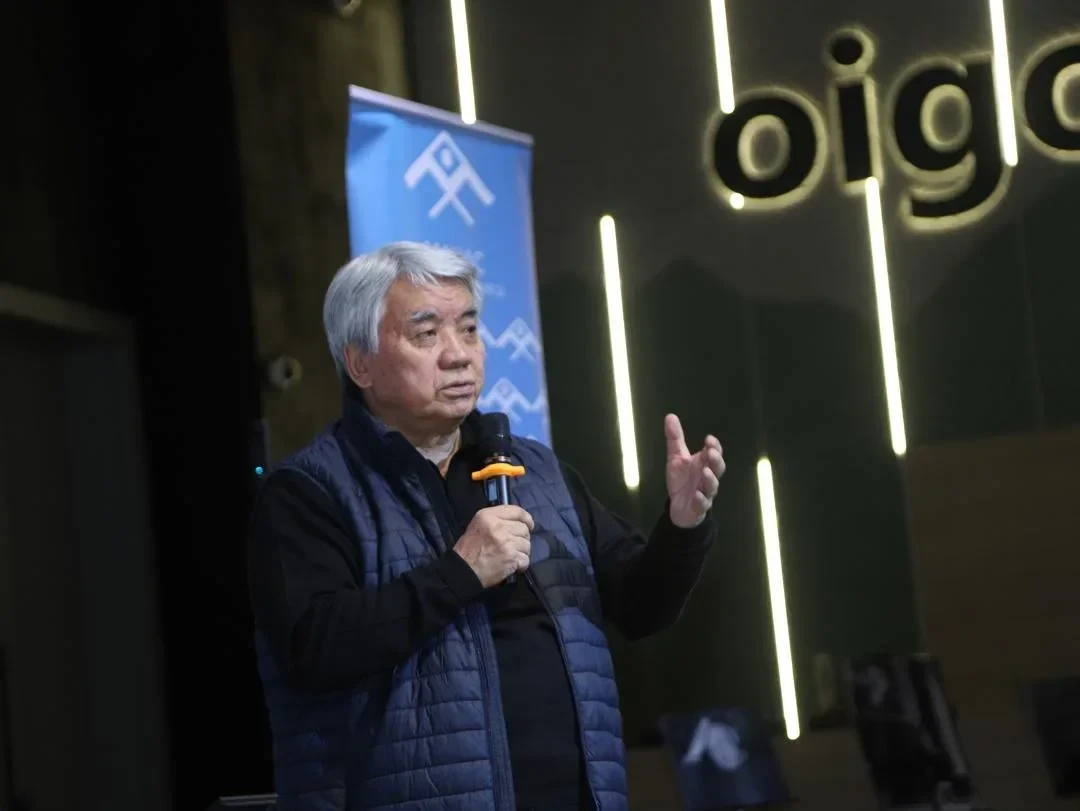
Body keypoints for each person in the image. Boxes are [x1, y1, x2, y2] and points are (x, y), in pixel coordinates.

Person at [248, 242, 726, 811]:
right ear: (360, 364)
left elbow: (641, 608)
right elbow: (312, 648)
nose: (459, 355)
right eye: (427, 334)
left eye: (469, 330)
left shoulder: (537, 470)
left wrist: (683, 524)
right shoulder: (311, 490)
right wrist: (461, 572)